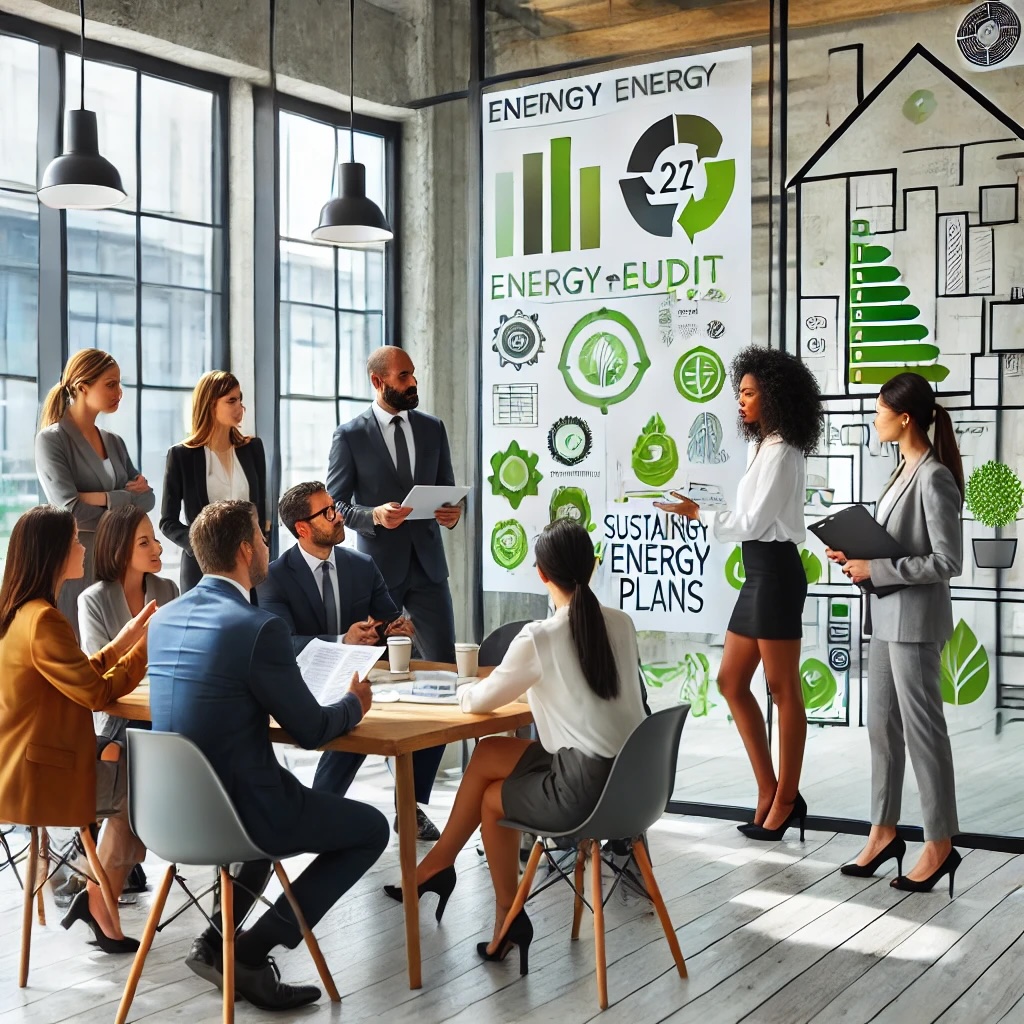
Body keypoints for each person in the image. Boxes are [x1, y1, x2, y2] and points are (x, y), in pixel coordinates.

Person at [147, 500, 389, 1011]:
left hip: (168, 814)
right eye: (260, 537)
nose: (266, 546)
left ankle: (215, 941)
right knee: (372, 829)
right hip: (242, 813)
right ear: (243, 550)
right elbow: (311, 731)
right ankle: (253, 952)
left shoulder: (164, 620)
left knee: (268, 812)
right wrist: (354, 703)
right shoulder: (257, 627)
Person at [382, 519, 646, 973]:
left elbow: (479, 700)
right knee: (488, 754)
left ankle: (508, 914)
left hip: (584, 791)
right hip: (636, 785)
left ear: (542, 575)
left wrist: (461, 688)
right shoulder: (621, 623)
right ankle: (438, 866)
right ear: (592, 565)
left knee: (490, 799)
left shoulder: (540, 636)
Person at [655, 345, 823, 840]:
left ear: (772, 397)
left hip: (775, 573)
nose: (741, 402)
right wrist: (705, 508)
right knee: (731, 681)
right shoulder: (761, 448)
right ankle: (768, 788)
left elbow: (750, 522)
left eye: (749, 394)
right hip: (758, 574)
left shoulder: (783, 452)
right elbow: (747, 519)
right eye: (740, 394)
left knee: (782, 689)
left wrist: (698, 514)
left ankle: (787, 798)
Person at [826, 372, 963, 894]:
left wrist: (877, 571)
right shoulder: (899, 470)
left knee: (924, 732)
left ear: (904, 418)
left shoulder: (933, 477)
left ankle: (940, 845)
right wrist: (856, 558)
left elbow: (947, 561)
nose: (874, 418)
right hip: (885, 619)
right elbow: (895, 545)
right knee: (880, 729)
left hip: (914, 624)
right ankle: (883, 832)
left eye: (880, 410)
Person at [0, 505, 154, 953]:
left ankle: (99, 895)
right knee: (148, 786)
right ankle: (98, 898)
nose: (82, 546)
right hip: (42, 778)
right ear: (52, 554)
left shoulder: (21, 614)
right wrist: (145, 649)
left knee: (135, 771)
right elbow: (95, 695)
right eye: (73, 541)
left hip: (21, 766)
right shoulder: (45, 619)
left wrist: (123, 641)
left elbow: (75, 672)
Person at [258, 481, 444, 841]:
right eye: (327, 512)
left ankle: (409, 805)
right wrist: (341, 641)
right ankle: (319, 811)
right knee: (354, 715)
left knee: (431, 716)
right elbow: (281, 643)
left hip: (358, 677)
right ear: (302, 528)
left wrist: (398, 629)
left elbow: (389, 619)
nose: (338, 515)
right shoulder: (274, 577)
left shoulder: (362, 565)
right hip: (305, 682)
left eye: (335, 507)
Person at [326, 346, 461, 664]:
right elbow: (335, 507)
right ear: (377, 381)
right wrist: (373, 515)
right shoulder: (349, 437)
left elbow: (448, 492)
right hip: (379, 571)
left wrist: (452, 514)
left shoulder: (433, 428)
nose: (413, 381)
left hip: (430, 568)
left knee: (444, 661)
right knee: (374, 663)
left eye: (412, 373)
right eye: (403, 376)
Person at [35, 349, 154, 637]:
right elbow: (71, 511)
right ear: (82, 387)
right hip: (77, 562)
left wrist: (101, 497)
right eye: (110, 384)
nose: (119, 392)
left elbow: (147, 499)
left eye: (119, 383)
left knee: (117, 651)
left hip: (115, 563)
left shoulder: (114, 442)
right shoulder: (52, 441)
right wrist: (122, 497)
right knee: (77, 649)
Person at [79, 506, 179, 752]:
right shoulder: (93, 600)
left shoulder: (169, 589)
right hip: (119, 720)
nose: (158, 548)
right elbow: (101, 673)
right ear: (120, 550)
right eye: (144, 543)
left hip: (164, 709)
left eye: (154, 539)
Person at [160, 370, 269, 593]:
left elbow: (263, 512)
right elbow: (167, 522)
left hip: (247, 566)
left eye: (240, 399)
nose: (240, 408)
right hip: (202, 569)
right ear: (210, 404)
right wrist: (201, 546)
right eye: (231, 401)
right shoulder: (181, 456)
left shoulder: (252, 449)